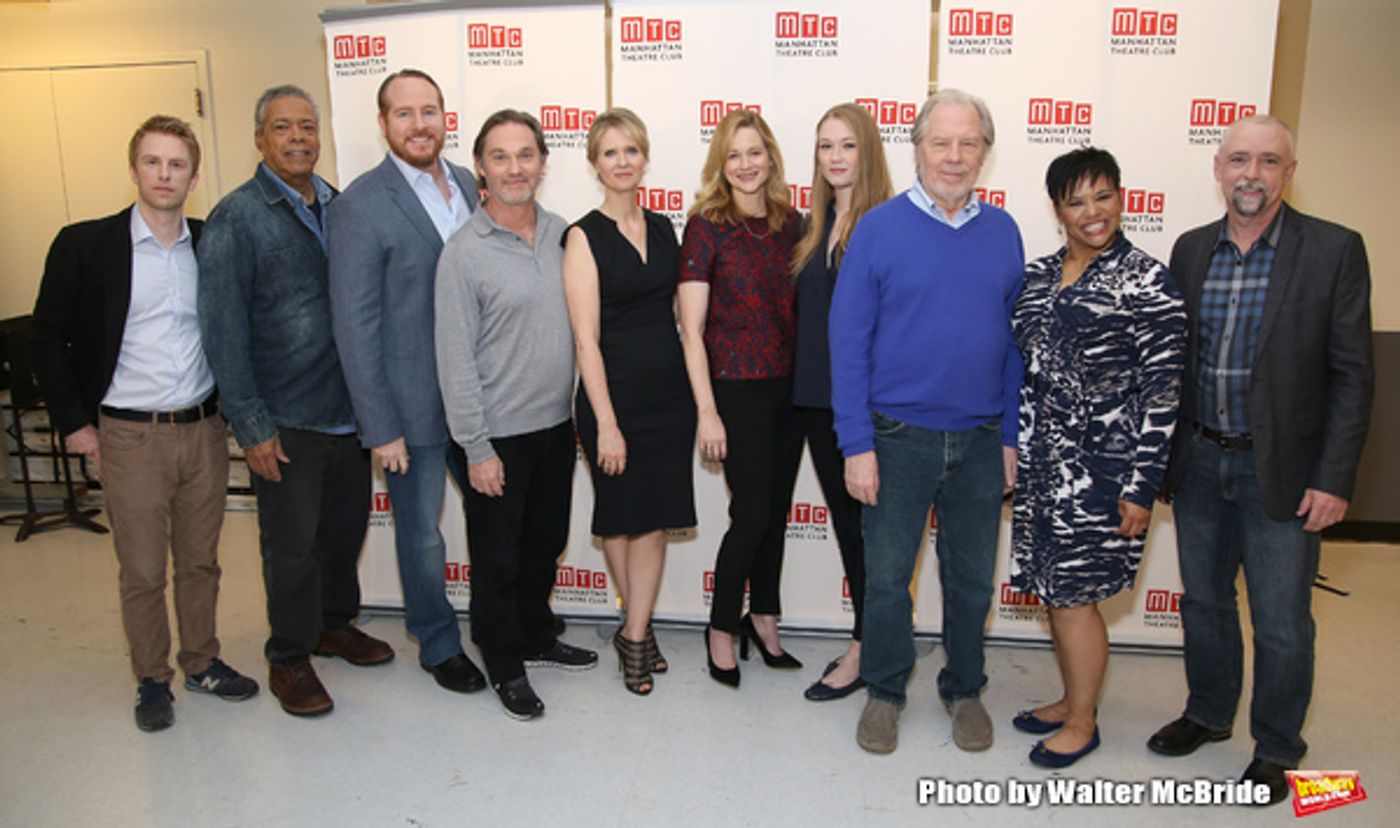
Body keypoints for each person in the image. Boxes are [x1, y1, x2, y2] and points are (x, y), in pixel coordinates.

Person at [1147, 114, 1373, 805]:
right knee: (1206, 604)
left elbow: (1352, 375)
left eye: (1269, 161)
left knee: (1280, 619)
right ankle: (1210, 714)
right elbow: (1171, 366)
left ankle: (1277, 747)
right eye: (1239, 159)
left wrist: (1333, 479)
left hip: (1283, 472)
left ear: (1289, 172)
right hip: (1201, 464)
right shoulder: (1189, 251)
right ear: (1218, 169)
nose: (1252, 174)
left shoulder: (1333, 250)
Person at [32, 115, 258, 732]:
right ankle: (153, 679)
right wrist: (76, 425)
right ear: (134, 170)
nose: (165, 175)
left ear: (194, 174)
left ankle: (203, 661)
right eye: (153, 163)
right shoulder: (85, 245)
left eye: (177, 164)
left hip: (204, 431)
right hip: (128, 434)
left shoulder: (210, 243)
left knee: (200, 562)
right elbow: (47, 339)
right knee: (140, 569)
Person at [830, 88, 1024, 754]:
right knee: (886, 579)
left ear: (985, 153)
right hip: (895, 439)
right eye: (941, 142)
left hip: (977, 442)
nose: (954, 155)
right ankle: (885, 691)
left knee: (970, 578)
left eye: (969, 143)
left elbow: (1011, 345)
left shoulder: (1003, 231)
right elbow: (847, 342)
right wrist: (856, 444)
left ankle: (964, 687)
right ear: (916, 148)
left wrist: (1008, 438)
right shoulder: (879, 228)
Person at [198, 85, 393, 718]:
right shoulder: (237, 218)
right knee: (292, 547)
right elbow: (223, 333)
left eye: (307, 126)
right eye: (283, 127)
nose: (298, 137)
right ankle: (289, 656)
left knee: (342, 533)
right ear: (261, 139)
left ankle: (332, 626)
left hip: (348, 409)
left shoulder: (341, 206)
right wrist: (251, 426)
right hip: (285, 418)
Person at [1009, 147, 1186, 767]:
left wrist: (1142, 487)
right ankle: (1069, 698)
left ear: (1122, 197)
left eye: (1102, 196)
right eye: (1076, 201)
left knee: (1075, 597)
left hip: (1104, 474)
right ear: (1057, 209)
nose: (1092, 212)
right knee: (1054, 591)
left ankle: (1083, 721)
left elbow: (1164, 394)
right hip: (1039, 469)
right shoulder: (1035, 275)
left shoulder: (1147, 279)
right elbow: (1021, 372)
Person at [326, 69, 486, 695]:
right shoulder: (361, 205)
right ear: (383, 122)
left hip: (478, 399)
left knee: (497, 521)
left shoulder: (472, 187)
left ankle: (503, 622)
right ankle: (439, 642)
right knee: (421, 536)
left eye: (430, 111)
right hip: (410, 407)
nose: (420, 124)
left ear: (446, 117)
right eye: (405, 114)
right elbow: (355, 324)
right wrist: (380, 426)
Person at [435, 109, 598, 721]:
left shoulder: (564, 235)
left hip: (556, 428)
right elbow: (453, 361)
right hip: (495, 437)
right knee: (497, 561)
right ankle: (504, 660)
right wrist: (476, 449)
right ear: (480, 166)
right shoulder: (463, 254)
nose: (514, 168)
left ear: (543, 163)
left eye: (525, 155)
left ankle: (535, 634)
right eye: (500, 157)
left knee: (543, 545)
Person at [561, 108, 696, 696]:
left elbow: (680, 316)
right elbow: (584, 339)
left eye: (631, 151)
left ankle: (633, 629)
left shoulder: (667, 227)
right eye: (610, 153)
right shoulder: (582, 236)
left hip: (669, 401)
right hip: (609, 402)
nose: (622, 162)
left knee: (650, 525)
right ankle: (637, 635)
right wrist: (607, 425)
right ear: (595, 164)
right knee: (620, 519)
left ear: (644, 159)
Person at [678, 108, 803, 688]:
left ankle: (766, 616)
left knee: (774, 514)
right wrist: (707, 411)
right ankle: (721, 626)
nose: (746, 164)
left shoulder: (792, 222)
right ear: (720, 164)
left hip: (791, 390)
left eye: (755, 152)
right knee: (750, 514)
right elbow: (691, 328)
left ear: (770, 157)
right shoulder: (707, 224)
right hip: (734, 390)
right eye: (734, 155)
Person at [788, 103, 892, 702]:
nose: (835, 157)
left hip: (869, 410)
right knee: (851, 533)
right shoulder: (814, 223)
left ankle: (865, 650)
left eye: (847, 145)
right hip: (816, 402)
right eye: (825, 146)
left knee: (870, 537)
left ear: (868, 151)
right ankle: (870, 640)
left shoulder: (887, 223)